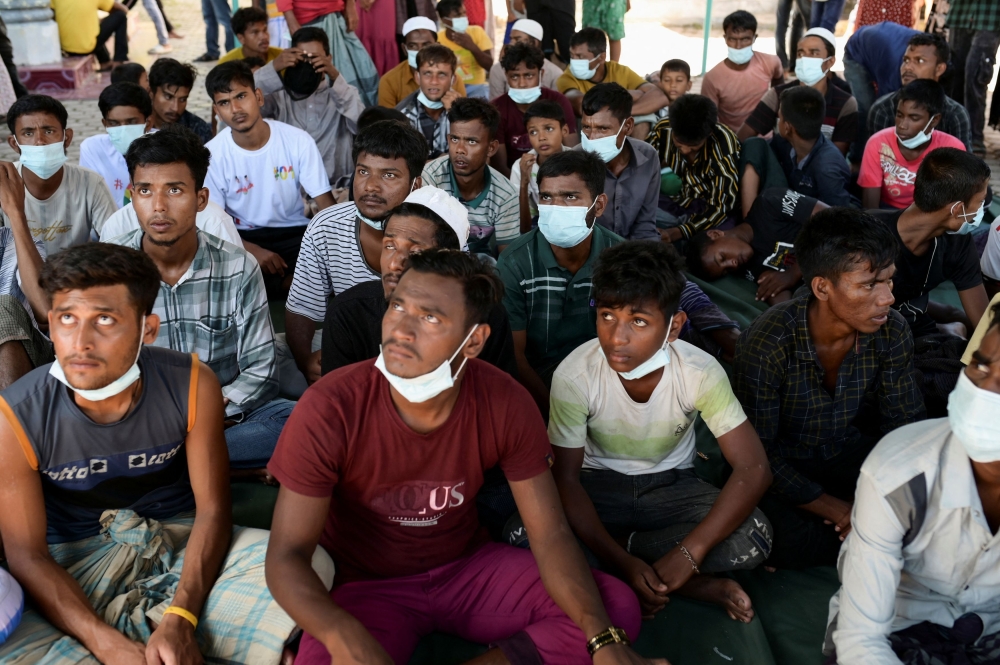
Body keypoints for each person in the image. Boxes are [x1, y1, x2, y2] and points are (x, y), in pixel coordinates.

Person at [265, 247, 655, 665]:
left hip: (466, 569)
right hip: (365, 585)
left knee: (611, 611)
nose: (401, 330)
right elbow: (287, 555)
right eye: (397, 307)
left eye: (429, 317)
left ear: (474, 341)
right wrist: (342, 634)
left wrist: (602, 639)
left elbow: (550, 535)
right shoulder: (331, 405)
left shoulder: (505, 401)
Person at [0, 242, 333, 664]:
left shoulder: (192, 384)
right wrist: (104, 642)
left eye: (104, 319)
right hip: (74, 564)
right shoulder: (16, 415)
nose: (79, 342)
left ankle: (167, 633)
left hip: (180, 543)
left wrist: (182, 615)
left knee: (310, 566)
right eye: (67, 319)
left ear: (148, 329)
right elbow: (28, 556)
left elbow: (213, 511)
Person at [549, 240, 772, 622]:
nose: (617, 338)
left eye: (639, 321)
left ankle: (634, 569)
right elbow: (566, 480)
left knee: (755, 534)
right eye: (606, 316)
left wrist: (690, 552)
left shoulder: (699, 372)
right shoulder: (574, 375)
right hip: (597, 488)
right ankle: (676, 582)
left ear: (674, 327)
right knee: (522, 532)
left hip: (671, 488)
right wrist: (624, 560)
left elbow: (754, 468)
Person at [734, 207, 925, 569]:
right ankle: (869, 538)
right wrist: (835, 508)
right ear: (822, 287)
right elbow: (757, 455)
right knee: (772, 535)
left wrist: (882, 497)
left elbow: (903, 426)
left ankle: (869, 535)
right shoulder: (768, 342)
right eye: (869, 285)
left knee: (932, 498)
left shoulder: (893, 330)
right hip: (782, 467)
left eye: (888, 281)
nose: (886, 298)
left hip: (846, 452)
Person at [107, 126, 291, 472]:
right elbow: (101, 372)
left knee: (298, 421)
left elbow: (261, 370)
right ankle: (211, 464)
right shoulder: (110, 272)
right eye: (145, 191)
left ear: (201, 198)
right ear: (132, 195)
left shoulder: (237, 266)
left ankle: (174, 465)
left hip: (222, 414)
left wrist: (204, 415)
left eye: (174, 190)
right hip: (141, 422)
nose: (158, 207)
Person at [825, 302, 1000, 664]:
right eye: (980, 366)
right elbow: (862, 640)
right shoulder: (900, 472)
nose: (984, 388)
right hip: (903, 623)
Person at [285, 120, 428, 385]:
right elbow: (302, 308)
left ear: (415, 185)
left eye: (389, 175)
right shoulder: (325, 226)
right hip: (349, 338)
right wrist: (305, 359)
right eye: (363, 172)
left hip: (419, 348)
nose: (371, 186)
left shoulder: (438, 233)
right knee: (277, 357)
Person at [321, 186, 517, 376]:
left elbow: (496, 393)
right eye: (390, 246)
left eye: (415, 252)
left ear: (448, 260)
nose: (395, 263)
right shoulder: (347, 312)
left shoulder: (486, 315)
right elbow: (337, 400)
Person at [499, 149, 620, 413]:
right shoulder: (515, 262)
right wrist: (556, 413)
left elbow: (628, 341)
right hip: (539, 377)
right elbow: (516, 357)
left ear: (598, 205)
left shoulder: (619, 257)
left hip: (606, 372)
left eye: (570, 197)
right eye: (546, 197)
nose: (555, 208)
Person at [204, 60, 334, 296]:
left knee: (333, 263)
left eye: (241, 96)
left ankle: (290, 285)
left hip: (296, 232)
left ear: (259, 97)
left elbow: (326, 207)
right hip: (243, 238)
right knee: (224, 268)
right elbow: (215, 226)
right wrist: (254, 251)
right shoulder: (211, 156)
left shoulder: (297, 140)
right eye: (224, 102)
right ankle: (295, 286)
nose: (235, 109)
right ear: (217, 111)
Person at [867, 147, 990, 345]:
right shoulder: (867, 235)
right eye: (980, 203)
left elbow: (984, 322)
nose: (981, 212)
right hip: (870, 336)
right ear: (957, 209)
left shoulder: (958, 242)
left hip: (918, 329)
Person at [2, 95, 117, 255]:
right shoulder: (3, 184)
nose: (40, 141)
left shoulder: (90, 182)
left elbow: (117, 242)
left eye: (48, 131)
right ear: (14, 144)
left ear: (67, 138)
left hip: (75, 276)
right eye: (28, 134)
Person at [255, 27, 364, 185]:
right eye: (303, 58)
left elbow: (361, 125)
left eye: (315, 58)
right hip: (290, 189)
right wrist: (273, 67)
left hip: (336, 189)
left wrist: (335, 75)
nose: (309, 64)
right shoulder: (279, 95)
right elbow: (246, 101)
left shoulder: (343, 93)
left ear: (329, 59)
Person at [687, 188, 827, 306]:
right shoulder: (747, 268)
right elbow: (775, 288)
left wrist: (793, 273)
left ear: (716, 234)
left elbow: (833, 218)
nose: (733, 264)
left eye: (722, 257)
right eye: (726, 271)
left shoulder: (767, 204)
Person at [420, 98, 521, 257]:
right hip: (436, 260)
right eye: (454, 139)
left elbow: (508, 258)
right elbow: (423, 242)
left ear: (491, 148)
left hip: (478, 263)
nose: (460, 150)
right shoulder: (430, 178)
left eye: (471, 141)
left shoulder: (506, 195)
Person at [739, 27, 859, 158]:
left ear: (830, 61)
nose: (805, 59)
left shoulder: (845, 103)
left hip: (818, 173)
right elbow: (743, 137)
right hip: (779, 169)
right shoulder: (778, 95)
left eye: (814, 53)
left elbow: (836, 156)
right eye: (801, 53)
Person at [740, 85, 853, 215]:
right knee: (754, 144)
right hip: (790, 203)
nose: (778, 121)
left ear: (787, 127)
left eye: (780, 118)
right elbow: (758, 153)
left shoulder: (827, 168)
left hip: (813, 223)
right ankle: (750, 218)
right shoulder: (785, 142)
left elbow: (838, 219)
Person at [647, 94, 741, 243]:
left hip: (713, 210)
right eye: (678, 143)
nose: (684, 151)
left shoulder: (723, 144)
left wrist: (677, 232)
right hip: (681, 200)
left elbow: (721, 207)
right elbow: (643, 168)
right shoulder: (664, 129)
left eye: (694, 146)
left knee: (712, 243)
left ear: (709, 134)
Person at [860, 81, 966, 210]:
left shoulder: (952, 149)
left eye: (914, 118)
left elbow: (949, 205)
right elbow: (870, 208)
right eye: (899, 115)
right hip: (887, 211)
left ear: (934, 120)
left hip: (928, 214)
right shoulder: (878, 143)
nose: (902, 125)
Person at [578, 83, 659, 242]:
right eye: (586, 127)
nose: (592, 137)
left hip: (633, 250)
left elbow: (645, 225)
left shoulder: (648, 157)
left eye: (602, 129)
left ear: (627, 126)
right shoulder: (574, 162)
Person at [867, 33, 974, 152]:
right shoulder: (883, 109)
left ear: (939, 69)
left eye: (920, 60)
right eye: (906, 60)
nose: (908, 67)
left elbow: (965, 166)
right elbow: (878, 160)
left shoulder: (955, 115)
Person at [557, 28, 668, 140]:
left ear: (601, 57)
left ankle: (638, 155)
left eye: (580, 57)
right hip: (592, 126)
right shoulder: (567, 77)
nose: (574, 61)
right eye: (572, 56)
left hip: (620, 121)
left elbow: (659, 97)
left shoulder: (620, 71)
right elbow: (582, 104)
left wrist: (622, 112)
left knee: (643, 117)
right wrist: (630, 97)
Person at [491, 42, 577, 174]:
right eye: (514, 76)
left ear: (541, 74)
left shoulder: (559, 102)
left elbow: (573, 154)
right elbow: (500, 167)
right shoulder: (497, 109)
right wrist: (521, 184)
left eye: (529, 75)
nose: (522, 84)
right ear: (506, 76)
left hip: (560, 174)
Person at [842, 22, 922, 163]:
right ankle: (857, 159)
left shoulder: (933, 54)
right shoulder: (899, 72)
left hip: (880, 43)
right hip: (856, 51)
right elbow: (885, 110)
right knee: (866, 110)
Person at [0, 162, 49, 390]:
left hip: (30, 366)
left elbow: (46, 311)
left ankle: (12, 425)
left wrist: (16, 213)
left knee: (2, 308)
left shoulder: (15, 242)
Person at [277, 0, 380, 107]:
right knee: (315, 83)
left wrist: (350, 4)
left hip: (337, 17)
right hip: (307, 25)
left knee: (362, 74)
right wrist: (290, 19)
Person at [701, 11, 785, 133]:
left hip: (764, 139)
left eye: (745, 39)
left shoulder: (771, 62)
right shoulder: (712, 78)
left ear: (754, 38)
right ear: (725, 39)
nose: (738, 46)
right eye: (733, 39)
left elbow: (780, 93)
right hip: (731, 141)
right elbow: (709, 119)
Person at [80, 82, 151, 210]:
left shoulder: (168, 148)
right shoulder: (94, 149)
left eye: (131, 122)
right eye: (114, 123)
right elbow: (91, 203)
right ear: (105, 124)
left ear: (148, 123)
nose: (123, 130)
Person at [945, 0, 1000, 157]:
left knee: (975, 76)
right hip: (961, 12)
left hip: (989, 14)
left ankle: (974, 136)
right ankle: (952, 130)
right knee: (954, 74)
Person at [379, 17, 469, 108]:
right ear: (404, 49)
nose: (420, 51)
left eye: (426, 45)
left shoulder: (453, 80)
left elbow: (463, 118)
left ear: (437, 46)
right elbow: (387, 120)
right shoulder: (389, 81)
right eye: (413, 46)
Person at [510, 99, 572, 230]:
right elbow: (523, 227)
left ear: (564, 130)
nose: (541, 137)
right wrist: (524, 183)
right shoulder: (522, 166)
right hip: (538, 224)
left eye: (549, 129)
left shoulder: (577, 161)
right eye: (533, 132)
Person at [396, 44, 462, 159]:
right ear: (417, 77)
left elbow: (478, 159)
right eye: (427, 73)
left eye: (442, 74)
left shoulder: (464, 112)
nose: (434, 81)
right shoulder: (402, 114)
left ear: (453, 79)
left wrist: (458, 115)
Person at [488, 18, 563, 100]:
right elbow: (496, 106)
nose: (511, 43)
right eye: (511, 39)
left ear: (534, 43)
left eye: (517, 39)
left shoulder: (555, 73)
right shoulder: (498, 69)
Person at [436, 0, 494, 100]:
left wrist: (472, 47)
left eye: (464, 13)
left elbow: (490, 67)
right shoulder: (438, 39)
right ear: (445, 20)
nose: (463, 18)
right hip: (450, 89)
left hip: (476, 87)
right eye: (457, 15)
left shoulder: (477, 32)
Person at [148, 59, 214, 144]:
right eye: (168, 97)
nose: (175, 108)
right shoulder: (136, 125)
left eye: (182, 99)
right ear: (151, 93)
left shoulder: (198, 130)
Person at [51, 0, 128, 71]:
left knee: (92, 27)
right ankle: (118, 63)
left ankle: (105, 61)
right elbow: (123, 9)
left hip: (65, 48)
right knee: (120, 16)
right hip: (87, 48)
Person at [526, 0, 575, 66]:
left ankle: (573, 72)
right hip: (535, 5)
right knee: (539, 47)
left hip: (563, 4)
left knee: (568, 44)